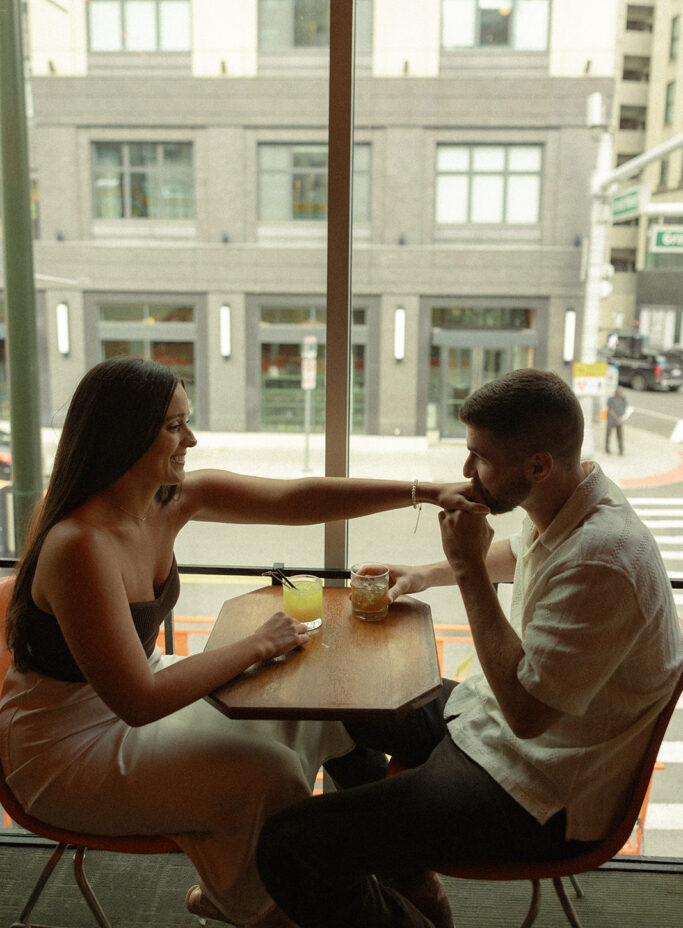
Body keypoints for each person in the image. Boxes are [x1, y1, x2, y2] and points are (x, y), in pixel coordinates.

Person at [0, 355, 471, 928]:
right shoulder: (80, 544)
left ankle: (376, 867)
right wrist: (257, 644)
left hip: (138, 698)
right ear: (123, 433)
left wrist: (423, 490)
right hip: (68, 744)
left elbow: (297, 499)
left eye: (186, 422)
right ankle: (268, 902)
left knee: (319, 709)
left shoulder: (168, 500)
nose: (191, 439)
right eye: (174, 426)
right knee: (264, 772)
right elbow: (138, 700)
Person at [256, 369, 682, 928]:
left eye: (479, 457)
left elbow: (527, 715)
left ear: (537, 466)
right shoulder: (576, 496)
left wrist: (467, 572)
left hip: (538, 790)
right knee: (343, 694)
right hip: (493, 729)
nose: (464, 472)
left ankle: (393, 895)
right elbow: (522, 552)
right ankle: (407, 876)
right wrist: (429, 572)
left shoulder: (603, 559)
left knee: (287, 845)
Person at [605, 385, 627, 455]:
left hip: (619, 420)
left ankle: (621, 450)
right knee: (608, 434)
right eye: (619, 392)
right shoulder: (611, 399)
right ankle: (607, 448)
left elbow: (625, 408)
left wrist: (621, 418)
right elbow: (610, 409)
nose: (621, 394)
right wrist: (617, 418)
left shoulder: (623, 399)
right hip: (611, 419)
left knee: (620, 435)